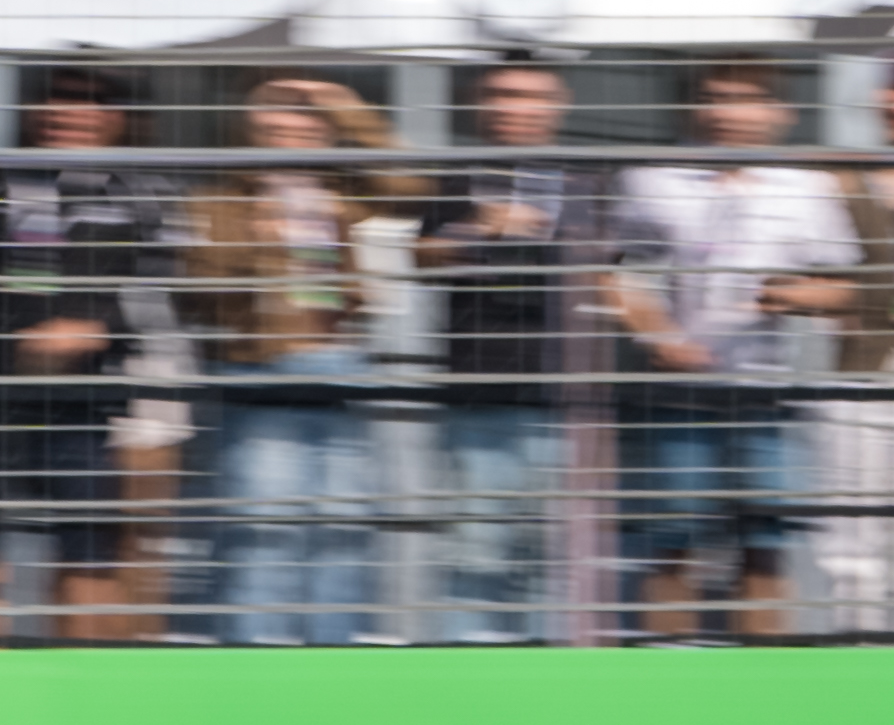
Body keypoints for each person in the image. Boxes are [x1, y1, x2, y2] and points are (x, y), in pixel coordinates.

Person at [0, 68, 176, 643]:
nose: (63, 110)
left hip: (92, 402)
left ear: (116, 117)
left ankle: (86, 681)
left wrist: (98, 326)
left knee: (91, 553)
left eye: (83, 101)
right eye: (54, 98)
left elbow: (166, 288)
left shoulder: (141, 189)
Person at [612, 64, 860, 640]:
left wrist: (792, 295)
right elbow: (615, 273)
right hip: (677, 398)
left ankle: (764, 672)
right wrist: (661, 337)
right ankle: (670, 665)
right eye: (715, 98)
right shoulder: (653, 179)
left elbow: (845, 285)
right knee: (673, 544)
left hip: (770, 397)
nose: (727, 112)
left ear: (779, 113)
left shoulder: (807, 187)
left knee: (764, 545)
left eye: (746, 99)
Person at [176, 74, 425, 646]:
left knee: (342, 521)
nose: (292, 135)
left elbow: (413, 185)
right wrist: (260, 242)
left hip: (341, 364)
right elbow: (199, 288)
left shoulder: (344, 188)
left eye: (308, 125)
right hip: (260, 368)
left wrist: (347, 106)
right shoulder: (219, 197)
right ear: (253, 132)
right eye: (276, 125)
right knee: (265, 523)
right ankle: (258, 653)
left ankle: (331, 652)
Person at [415, 60, 599, 645]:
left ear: (559, 104)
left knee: (552, 554)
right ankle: (471, 674)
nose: (511, 107)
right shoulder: (458, 177)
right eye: (499, 94)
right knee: (476, 549)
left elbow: (619, 272)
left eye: (528, 95)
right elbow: (421, 258)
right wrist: (481, 227)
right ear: (479, 103)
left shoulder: (588, 180)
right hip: (480, 391)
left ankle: (546, 678)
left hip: (568, 397)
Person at [823, 69, 894, 637]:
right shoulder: (841, 179)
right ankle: (861, 655)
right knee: (854, 546)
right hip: (863, 381)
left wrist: (856, 291)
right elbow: (801, 283)